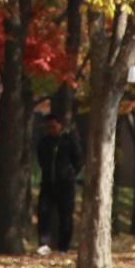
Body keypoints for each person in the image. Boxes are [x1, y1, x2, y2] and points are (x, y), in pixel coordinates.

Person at [35, 109, 80, 255]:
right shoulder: (44, 142)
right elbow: (41, 159)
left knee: (65, 215)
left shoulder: (69, 140)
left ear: (60, 125)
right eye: (49, 127)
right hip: (48, 183)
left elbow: (78, 159)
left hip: (65, 184)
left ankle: (63, 247)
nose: (51, 130)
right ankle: (44, 244)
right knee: (43, 213)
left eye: (54, 127)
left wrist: (70, 173)